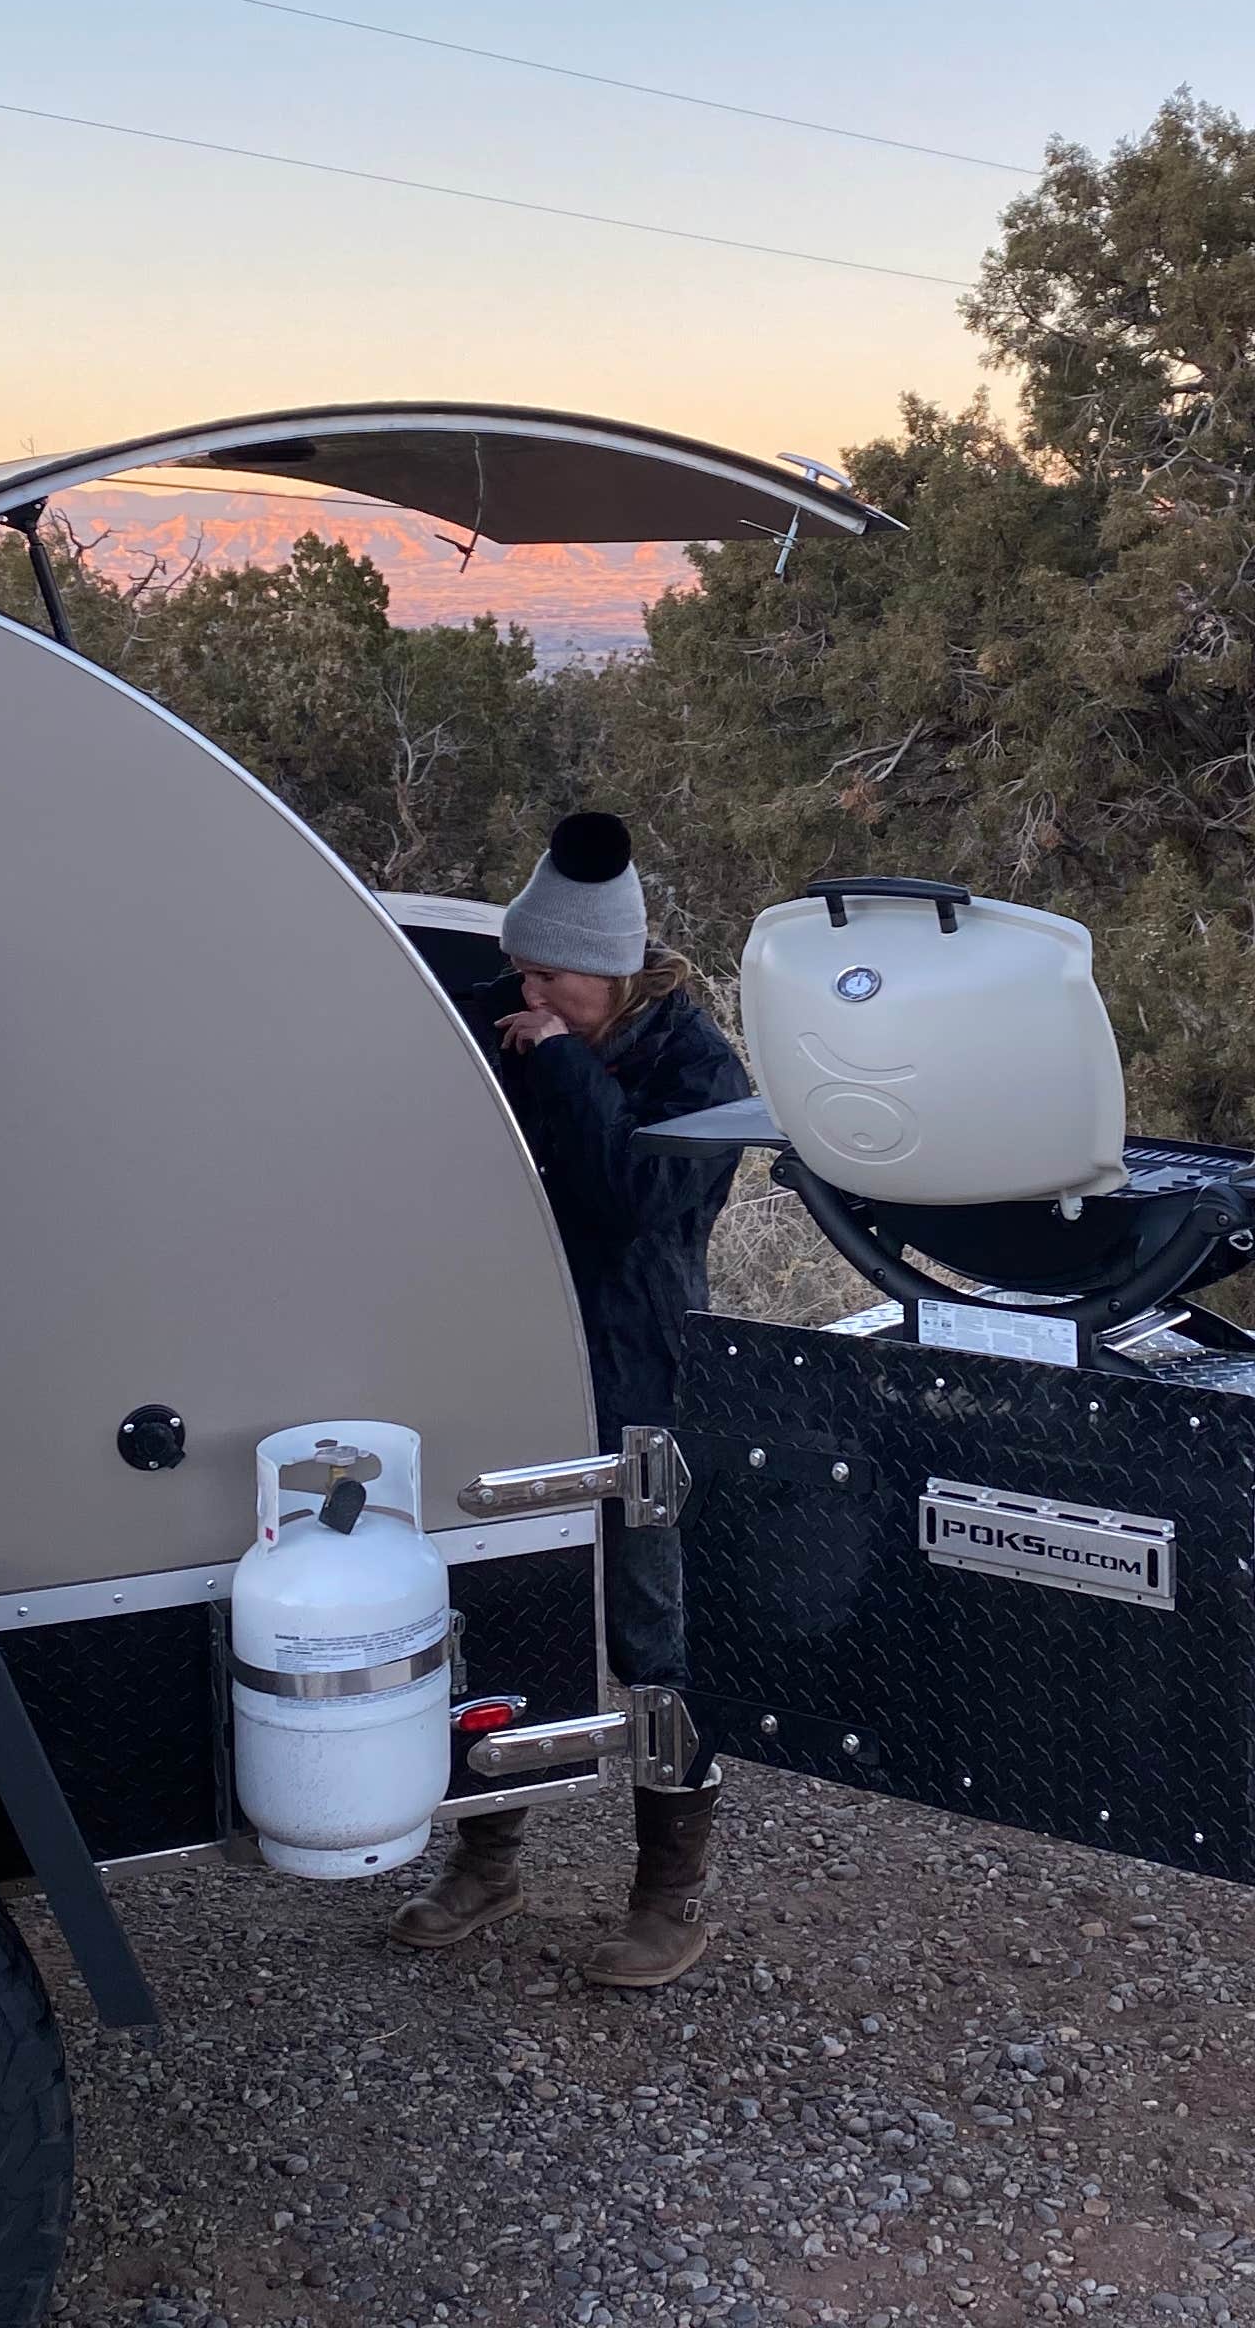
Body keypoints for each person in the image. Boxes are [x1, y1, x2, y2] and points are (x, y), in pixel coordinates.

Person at [386, 810, 752, 1988]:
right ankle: (493, 1857)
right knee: (504, 1609)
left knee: (653, 1633)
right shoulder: (525, 1033)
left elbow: (635, 1201)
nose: (523, 987)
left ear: (608, 969)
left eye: (545, 970)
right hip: (513, 1368)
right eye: (521, 968)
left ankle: (670, 1892)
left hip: (640, 1380)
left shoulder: (701, 1070)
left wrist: (551, 1062)